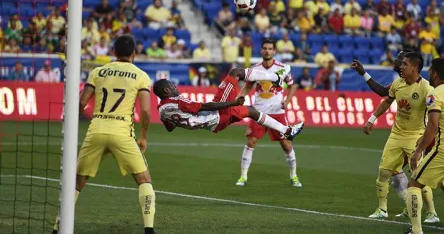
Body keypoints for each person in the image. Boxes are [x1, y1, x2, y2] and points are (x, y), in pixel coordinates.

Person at [51, 35, 156, 234]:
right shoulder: (141, 75)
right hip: (122, 132)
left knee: (76, 184)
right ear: (134, 53)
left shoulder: (98, 72)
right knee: (144, 179)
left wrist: (72, 128)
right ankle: (149, 229)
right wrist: (143, 136)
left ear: (114, 52)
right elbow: (145, 111)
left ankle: (58, 227)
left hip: (97, 128)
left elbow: (81, 103)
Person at [351, 52, 439, 221]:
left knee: (418, 175)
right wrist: (371, 119)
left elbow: (435, 113)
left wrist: (427, 138)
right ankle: (382, 209)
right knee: (384, 171)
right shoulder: (398, 84)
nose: (401, 66)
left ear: (414, 67)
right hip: (396, 134)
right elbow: (386, 100)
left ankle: (432, 213)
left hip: (415, 136)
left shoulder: (426, 89)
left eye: (404, 64)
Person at [153, 66, 304, 140]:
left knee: (251, 110)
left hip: (214, 125)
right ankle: (275, 78)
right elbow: (205, 107)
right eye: (171, 85)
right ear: (166, 91)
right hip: (217, 113)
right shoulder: (177, 101)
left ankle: (287, 131)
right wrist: (232, 103)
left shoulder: (162, 111)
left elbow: (170, 129)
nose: (175, 86)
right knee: (236, 72)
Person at [234, 39, 302, 188]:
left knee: (286, 144)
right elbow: (248, 86)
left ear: (274, 51)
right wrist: (240, 97)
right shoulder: (255, 69)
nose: (267, 51)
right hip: (258, 112)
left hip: (277, 112)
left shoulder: (282, 68)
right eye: (264, 48)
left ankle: (294, 176)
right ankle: (243, 177)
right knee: (251, 142)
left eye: (270, 49)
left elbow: (292, 86)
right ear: (261, 51)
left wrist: (288, 101)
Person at [406, 58, 444, 234]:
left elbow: (432, 126)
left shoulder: (435, 94)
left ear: (435, 73)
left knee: (414, 184)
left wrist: (418, 151)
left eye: (430, 71)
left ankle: (416, 231)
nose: (429, 73)